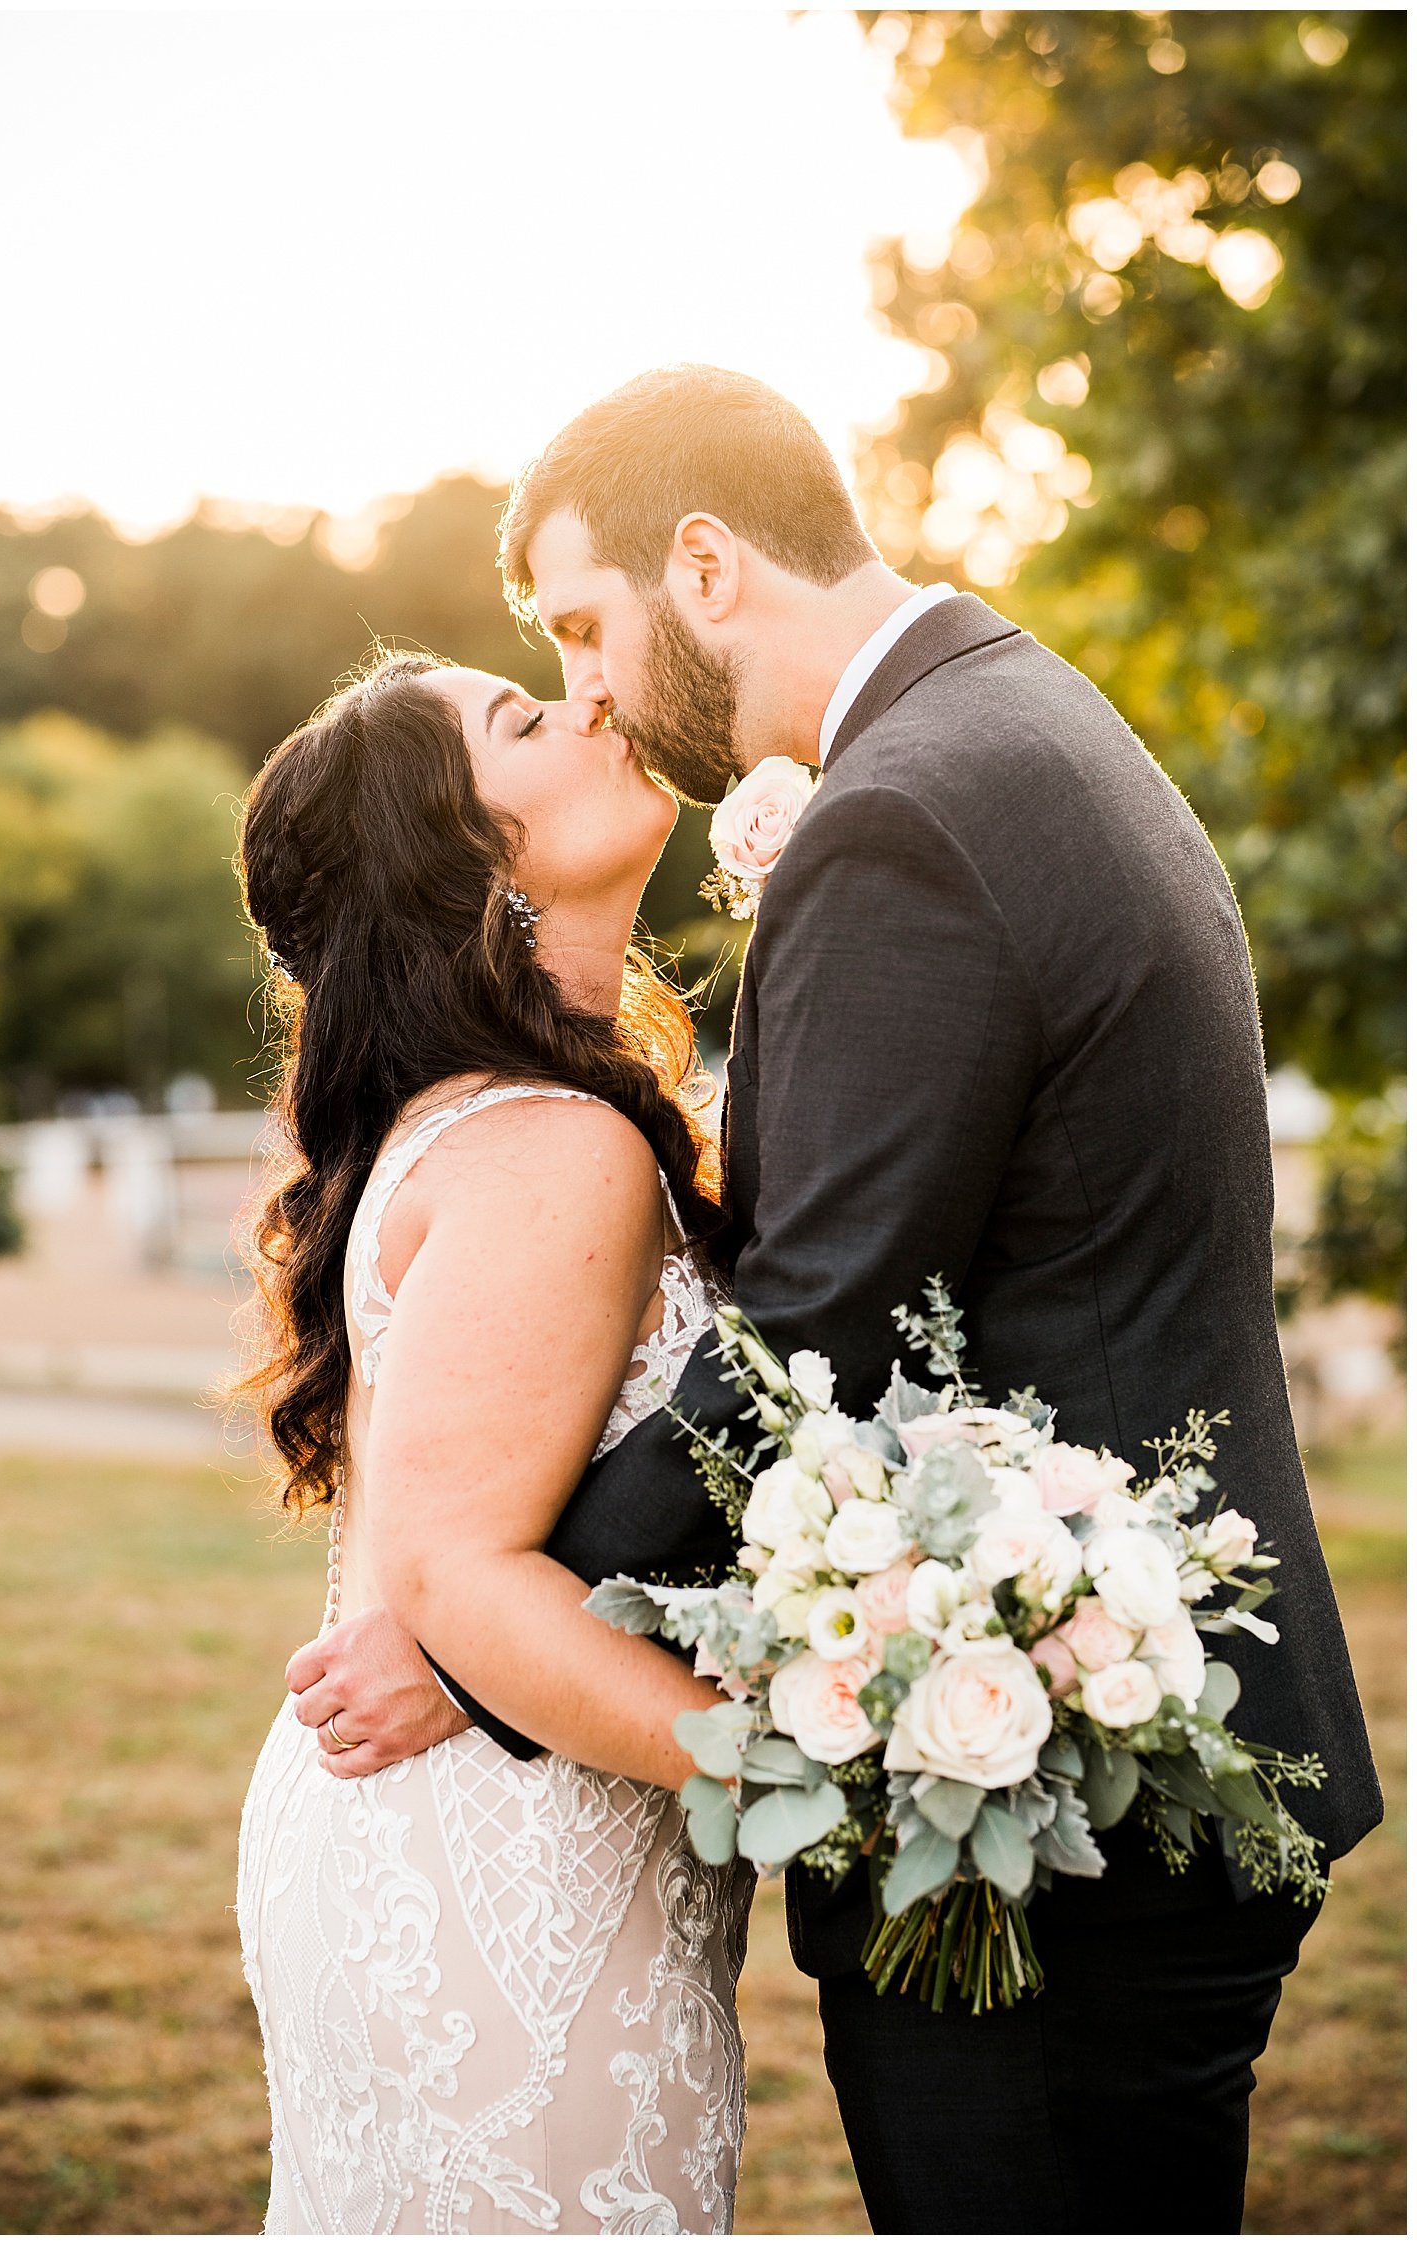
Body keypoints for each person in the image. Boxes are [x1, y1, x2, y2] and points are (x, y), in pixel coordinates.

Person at [298, 365, 1383, 2234]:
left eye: (583, 626)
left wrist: (477, 1601)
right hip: (1123, 1749)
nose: (595, 693)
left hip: (1063, 1827)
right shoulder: (1022, 724)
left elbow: (808, 1332)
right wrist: (476, 1584)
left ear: (704, 564)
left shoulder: (906, 815)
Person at [234, 652, 756, 2236]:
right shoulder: (549, 1146)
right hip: (503, 1875)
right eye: (524, 720)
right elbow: (455, 1576)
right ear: (466, 862)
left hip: (433, 1827)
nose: (594, 703)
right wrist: (809, 1768)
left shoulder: (506, 1113)